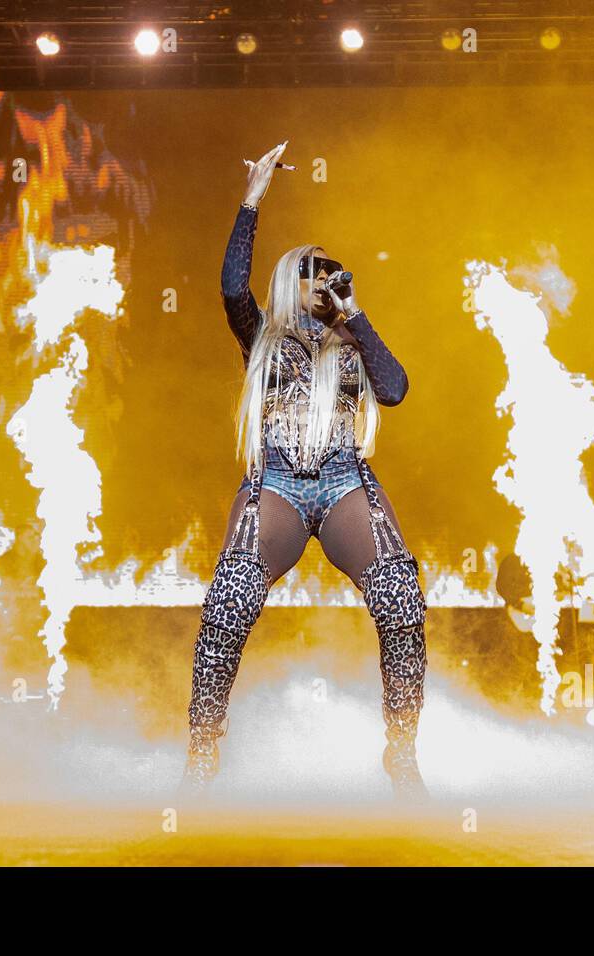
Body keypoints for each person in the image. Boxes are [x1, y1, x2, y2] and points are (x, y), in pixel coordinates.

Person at [181, 142, 429, 798]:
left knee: (402, 598)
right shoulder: (261, 336)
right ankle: (203, 750)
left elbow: (397, 389)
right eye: (318, 278)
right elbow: (232, 285)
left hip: (345, 479)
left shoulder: (352, 341)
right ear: (295, 281)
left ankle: (401, 750)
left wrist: (355, 315)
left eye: (337, 278)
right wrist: (252, 200)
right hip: (279, 482)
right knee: (230, 599)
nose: (329, 287)